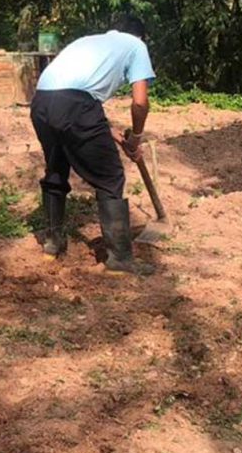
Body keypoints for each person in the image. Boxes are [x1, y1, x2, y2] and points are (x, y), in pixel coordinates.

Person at [30, 14, 155, 274]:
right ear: (139, 36)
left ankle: (53, 242)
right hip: (75, 105)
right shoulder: (136, 45)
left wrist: (118, 137)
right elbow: (140, 102)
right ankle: (120, 258)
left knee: (56, 170)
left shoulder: (88, 42)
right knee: (110, 177)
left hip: (42, 102)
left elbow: (73, 97)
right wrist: (136, 138)